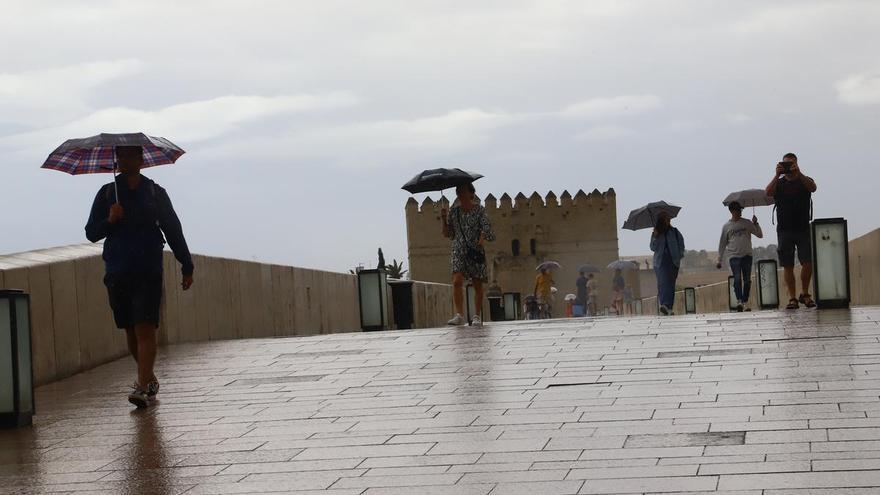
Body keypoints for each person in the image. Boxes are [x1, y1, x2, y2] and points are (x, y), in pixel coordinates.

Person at [85, 145, 194, 408]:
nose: (124, 160)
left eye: (130, 155)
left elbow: (172, 229)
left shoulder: (155, 193)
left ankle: (143, 386)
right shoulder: (108, 193)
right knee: (131, 330)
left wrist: (186, 264)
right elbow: (91, 232)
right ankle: (149, 377)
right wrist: (110, 220)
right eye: (120, 156)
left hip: (148, 269)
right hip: (117, 270)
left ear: (141, 159)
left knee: (145, 327)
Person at [765, 152, 818, 310]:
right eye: (786, 164)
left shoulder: (804, 180)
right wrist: (776, 175)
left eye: (791, 164)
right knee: (787, 265)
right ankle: (793, 298)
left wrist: (799, 172)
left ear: (797, 163)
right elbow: (768, 192)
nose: (789, 167)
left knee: (807, 262)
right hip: (784, 230)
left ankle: (805, 293)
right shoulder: (779, 183)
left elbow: (813, 188)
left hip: (802, 228)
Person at [441, 182, 495, 327]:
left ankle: (476, 316)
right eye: (458, 190)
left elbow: (487, 228)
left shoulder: (479, 210)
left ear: (470, 193)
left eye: (462, 190)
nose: (459, 192)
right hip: (458, 249)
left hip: (474, 250)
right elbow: (448, 234)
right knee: (457, 281)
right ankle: (460, 315)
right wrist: (444, 219)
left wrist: (482, 238)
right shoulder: (454, 212)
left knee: (477, 283)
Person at [716, 201, 763, 312]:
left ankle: (745, 301)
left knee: (747, 280)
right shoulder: (726, 226)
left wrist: (756, 223)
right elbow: (722, 243)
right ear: (732, 211)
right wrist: (719, 258)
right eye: (738, 210)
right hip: (734, 256)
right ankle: (739, 301)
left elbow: (760, 235)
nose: (740, 212)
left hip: (747, 255)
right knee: (737, 279)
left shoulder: (747, 223)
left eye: (740, 210)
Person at [650, 212, 685, 316]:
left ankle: (668, 307)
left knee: (670, 284)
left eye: (668, 218)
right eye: (665, 219)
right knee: (662, 283)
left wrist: (679, 255)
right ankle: (664, 304)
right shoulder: (656, 233)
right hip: (660, 262)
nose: (668, 220)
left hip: (673, 261)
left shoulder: (674, 232)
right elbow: (652, 247)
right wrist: (655, 236)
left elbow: (681, 244)